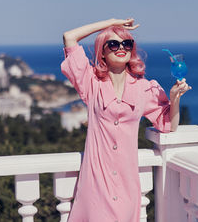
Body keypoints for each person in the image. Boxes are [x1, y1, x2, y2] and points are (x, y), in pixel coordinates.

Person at [61, 18, 191, 222]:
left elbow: (168, 125)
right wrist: (112, 23)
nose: (121, 48)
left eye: (126, 44)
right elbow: (70, 37)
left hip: (127, 185)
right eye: (113, 44)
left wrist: (174, 98)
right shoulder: (91, 83)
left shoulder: (143, 88)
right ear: (102, 52)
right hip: (96, 185)